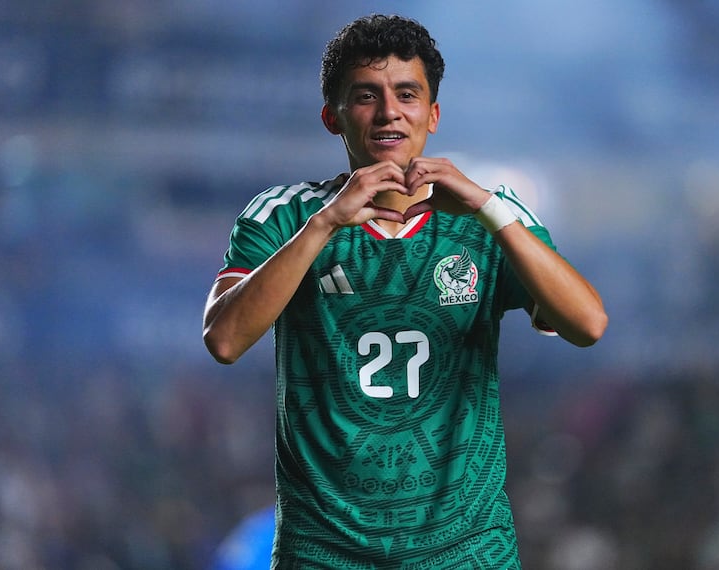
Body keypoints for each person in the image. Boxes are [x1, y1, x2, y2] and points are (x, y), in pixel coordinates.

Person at [203, 13, 607, 568]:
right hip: (327, 553)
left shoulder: (488, 220)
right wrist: (323, 224)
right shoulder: (285, 215)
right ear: (332, 117)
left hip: (465, 551)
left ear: (433, 114)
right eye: (366, 95)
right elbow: (223, 339)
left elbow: (588, 324)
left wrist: (488, 207)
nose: (389, 111)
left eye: (407, 94)